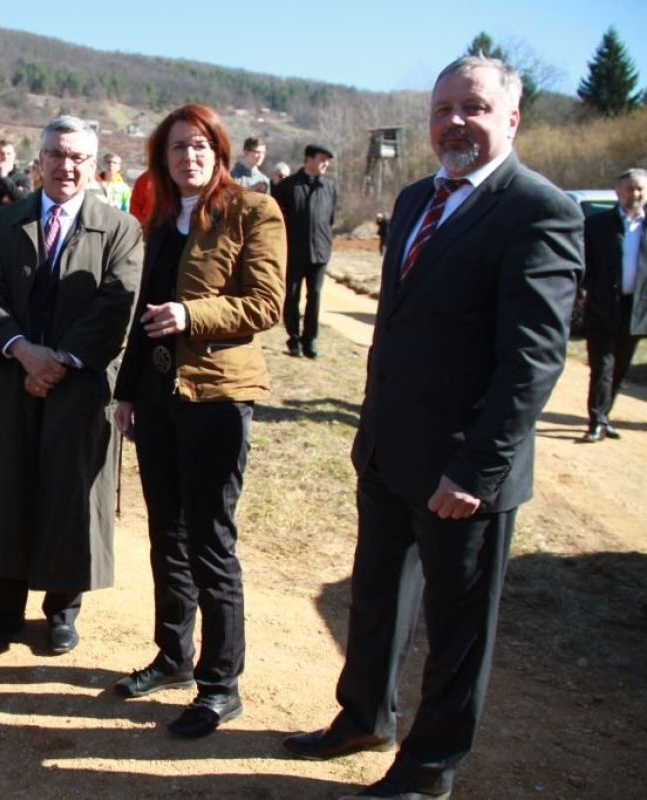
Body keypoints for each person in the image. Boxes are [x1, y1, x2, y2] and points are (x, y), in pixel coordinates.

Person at [282, 56, 583, 800]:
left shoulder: (539, 210)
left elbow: (532, 362)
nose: (454, 121)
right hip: (389, 453)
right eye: (442, 108)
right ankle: (363, 719)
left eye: (472, 107)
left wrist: (477, 468)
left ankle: (427, 769)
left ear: (512, 117)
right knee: (376, 602)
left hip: (463, 471)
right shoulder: (419, 197)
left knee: (457, 632)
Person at [112, 104, 284, 738]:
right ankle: (173, 657)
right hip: (156, 397)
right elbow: (141, 313)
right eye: (178, 147)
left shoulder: (254, 211)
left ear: (219, 151)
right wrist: (127, 392)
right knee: (167, 535)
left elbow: (265, 304)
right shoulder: (159, 220)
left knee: (211, 542)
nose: (189, 156)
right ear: (163, 158)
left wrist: (191, 315)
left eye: (200, 145)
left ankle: (220, 685)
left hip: (217, 397)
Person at [0, 115, 142, 658]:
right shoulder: (4, 221)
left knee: (71, 497)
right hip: (11, 380)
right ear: (38, 161)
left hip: (80, 384)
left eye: (78, 157)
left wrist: (59, 361)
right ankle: (2, 617)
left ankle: (62, 612)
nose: (67, 166)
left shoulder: (120, 228)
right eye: (57, 155)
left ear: (93, 164)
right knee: (6, 494)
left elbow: (118, 305)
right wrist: (23, 352)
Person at [582, 167, 646, 442]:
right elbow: (583, 262)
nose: (635, 194)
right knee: (602, 365)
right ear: (618, 192)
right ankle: (596, 420)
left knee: (621, 365)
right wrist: (585, 290)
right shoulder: (598, 225)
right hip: (602, 306)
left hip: (636, 308)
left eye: (640, 189)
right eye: (630, 189)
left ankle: (605, 415)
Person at [274, 143, 338, 358]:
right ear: (308, 159)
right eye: (322, 159)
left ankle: (310, 340)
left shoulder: (329, 188)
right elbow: (276, 222)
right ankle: (294, 339)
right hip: (293, 252)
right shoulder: (287, 187)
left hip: (320, 253)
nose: (325, 164)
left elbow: (330, 220)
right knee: (292, 296)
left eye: (327, 161)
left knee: (315, 295)